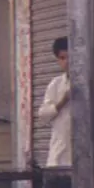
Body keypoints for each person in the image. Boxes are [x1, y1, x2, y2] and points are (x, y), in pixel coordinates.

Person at [37, 36, 72, 169]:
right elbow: (43, 115)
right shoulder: (55, 85)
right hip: (60, 154)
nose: (67, 62)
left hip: (84, 152)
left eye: (70, 57)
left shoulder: (91, 83)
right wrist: (62, 101)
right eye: (62, 58)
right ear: (58, 60)